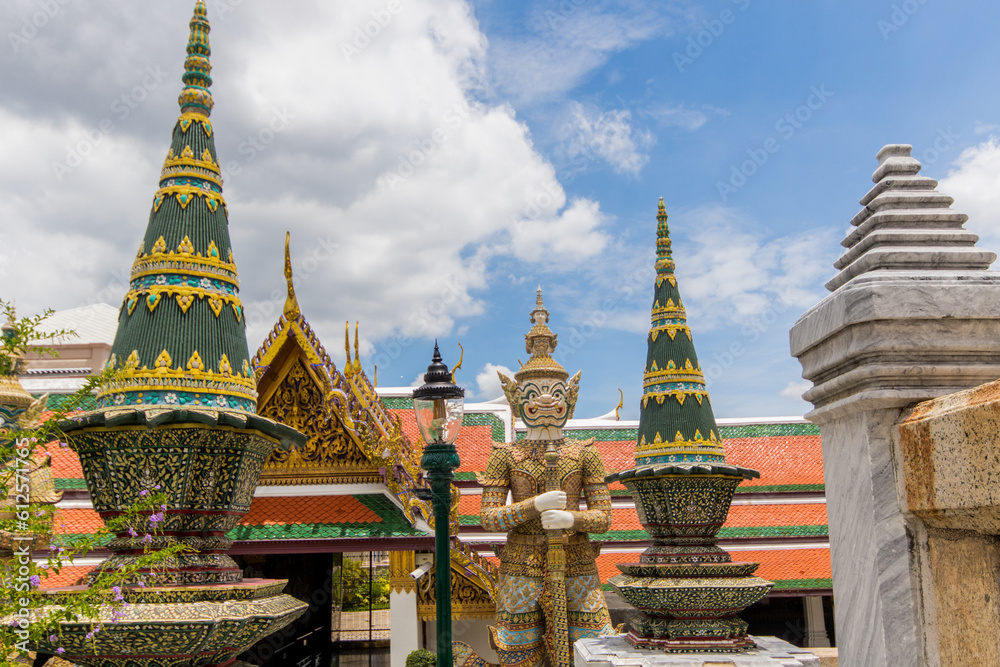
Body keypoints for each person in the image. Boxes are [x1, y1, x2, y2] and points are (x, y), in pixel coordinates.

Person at [459, 289, 614, 667]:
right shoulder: (506, 455)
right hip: (520, 565)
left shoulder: (585, 452)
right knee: (517, 653)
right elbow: (489, 517)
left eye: (554, 392)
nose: (545, 401)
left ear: (569, 398)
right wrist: (534, 506)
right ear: (517, 399)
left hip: (577, 561)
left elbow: (605, 518)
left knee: (595, 649)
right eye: (534, 392)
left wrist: (570, 519)